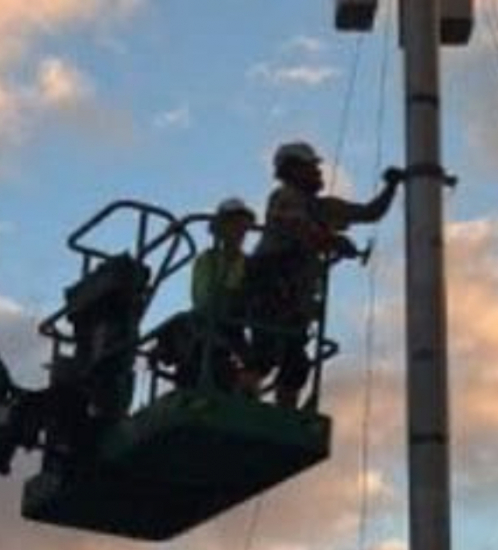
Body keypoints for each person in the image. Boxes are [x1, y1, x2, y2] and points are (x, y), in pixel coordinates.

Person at [245, 140, 404, 408]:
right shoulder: (284, 197)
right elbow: (297, 225)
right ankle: (243, 401)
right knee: (264, 355)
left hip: (295, 295)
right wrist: (332, 241)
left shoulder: (321, 207)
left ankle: (285, 414)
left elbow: (369, 213)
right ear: (292, 169)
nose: (318, 173)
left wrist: (391, 186)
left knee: (295, 363)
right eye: (311, 167)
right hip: (269, 284)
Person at [153, 197, 256, 392]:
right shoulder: (207, 260)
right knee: (193, 338)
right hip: (208, 321)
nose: (239, 229)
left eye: (242, 224)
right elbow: (204, 298)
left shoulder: (249, 264)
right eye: (233, 223)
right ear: (221, 229)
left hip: (236, 323)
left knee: (254, 359)